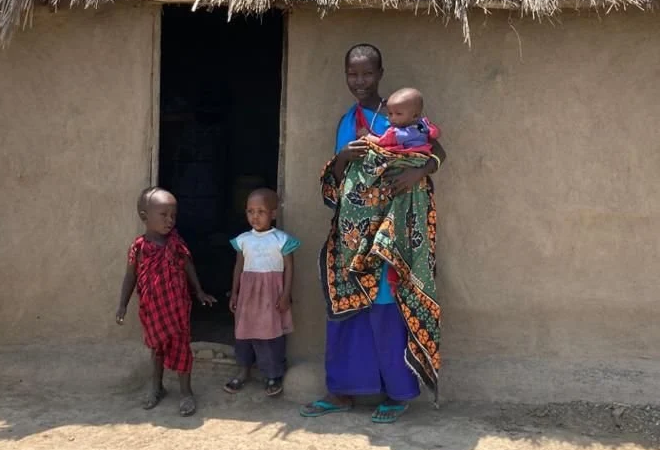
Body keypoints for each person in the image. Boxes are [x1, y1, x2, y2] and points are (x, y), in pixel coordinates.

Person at [301, 43, 446, 424]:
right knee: (345, 306)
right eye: (352, 74)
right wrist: (342, 159)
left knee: (385, 307)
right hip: (351, 237)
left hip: (389, 234)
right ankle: (342, 391)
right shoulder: (346, 121)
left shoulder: (400, 115)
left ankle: (396, 394)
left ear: (380, 74)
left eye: (367, 73)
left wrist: (417, 173)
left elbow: (437, 153)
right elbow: (337, 179)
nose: (359, 81)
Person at [116, 187, 216, 416]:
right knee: (157, 349)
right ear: (145, 216)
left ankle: (186, 392)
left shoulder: (176, 244)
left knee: (181, 348)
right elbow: (130, 276)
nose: (170, 220)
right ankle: (156, 387)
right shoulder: (139, 247)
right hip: (153, 309)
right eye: (163, 215)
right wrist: (122, 304)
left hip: (176, 307)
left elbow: (188, 266)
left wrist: (199, 291)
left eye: (173, 215)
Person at [224, 188, 299, 398]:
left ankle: (273, 374)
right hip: (248, 295)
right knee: (244, 332)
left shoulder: (281, 239)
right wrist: (235, 293)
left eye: (261, 211)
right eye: (250, 211)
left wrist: (285, 294)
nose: (255, 216)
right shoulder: (243, 240)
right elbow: (238, 267)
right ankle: (244, 370)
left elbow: (290, 268)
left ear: (273, 213)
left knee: (270, 334)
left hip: (270, 295)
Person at [367, 87, 440, 154]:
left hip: (408, 157)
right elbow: (433, 133)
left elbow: (381, 142)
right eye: (390, 113)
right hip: (424, 152)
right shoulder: (422, 124)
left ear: (415, 116)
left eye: (398, 114)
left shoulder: (401, 133)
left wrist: (368, 136)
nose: (393, 118)